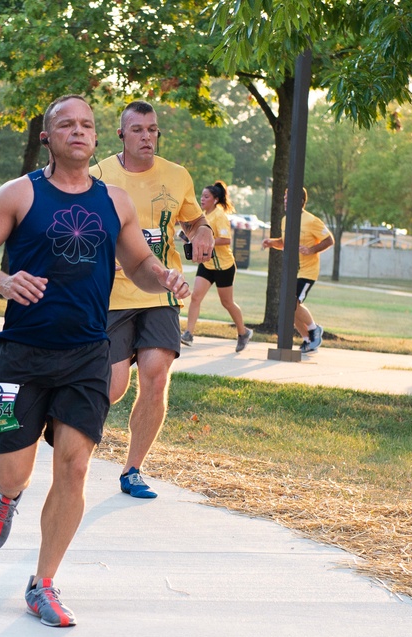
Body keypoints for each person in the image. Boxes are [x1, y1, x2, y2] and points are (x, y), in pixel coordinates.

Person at [0, 95, 191, 626]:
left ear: (96, 137)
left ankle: (44, 583)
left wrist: (166, 278)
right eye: (66, 124)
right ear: (48, 137)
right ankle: (4, 494)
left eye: (86, 124)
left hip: (88, 352)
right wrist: (3, 281)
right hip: (20, 355)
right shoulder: (20, 194)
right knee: (14, 469)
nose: (78, 131)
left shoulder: (116, 202)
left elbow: (140, 263)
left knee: (75, 464)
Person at [92, 100, 215, 499]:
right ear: (121, 135)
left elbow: (193, 219)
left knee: (156, 375)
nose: (147, 136)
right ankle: (75, 445)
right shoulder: (98, 176)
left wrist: (203, 232)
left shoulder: (177, 177)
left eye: (152, 129)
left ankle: (132, 469)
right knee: (113, 385)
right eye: (138, 130)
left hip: (161, 291)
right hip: (111, 296)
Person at [181, 181, 253, 352]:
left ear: (215, 199)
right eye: (202, 196)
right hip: (207, 263)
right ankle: (188, 334)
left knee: (226, 302)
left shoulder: (219, 215)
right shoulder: (203, 215)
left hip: (224, 266)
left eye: (206, 197)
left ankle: (243, 333)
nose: (202, 199)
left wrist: (208, 240)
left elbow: (226, 240)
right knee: (196, 297)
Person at [262, 187, 334, 353]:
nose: (285, 200)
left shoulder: (311, 221)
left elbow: (329, 240)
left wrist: (311, 250)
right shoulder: (286, 219)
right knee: (288, 307)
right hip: (294, 270)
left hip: (308, 272)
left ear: (301, 201)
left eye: (289, 197)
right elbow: (285, 242)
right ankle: (308, 340)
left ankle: (314, 329)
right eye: (285, 197)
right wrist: (272, 242)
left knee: (293, 302)